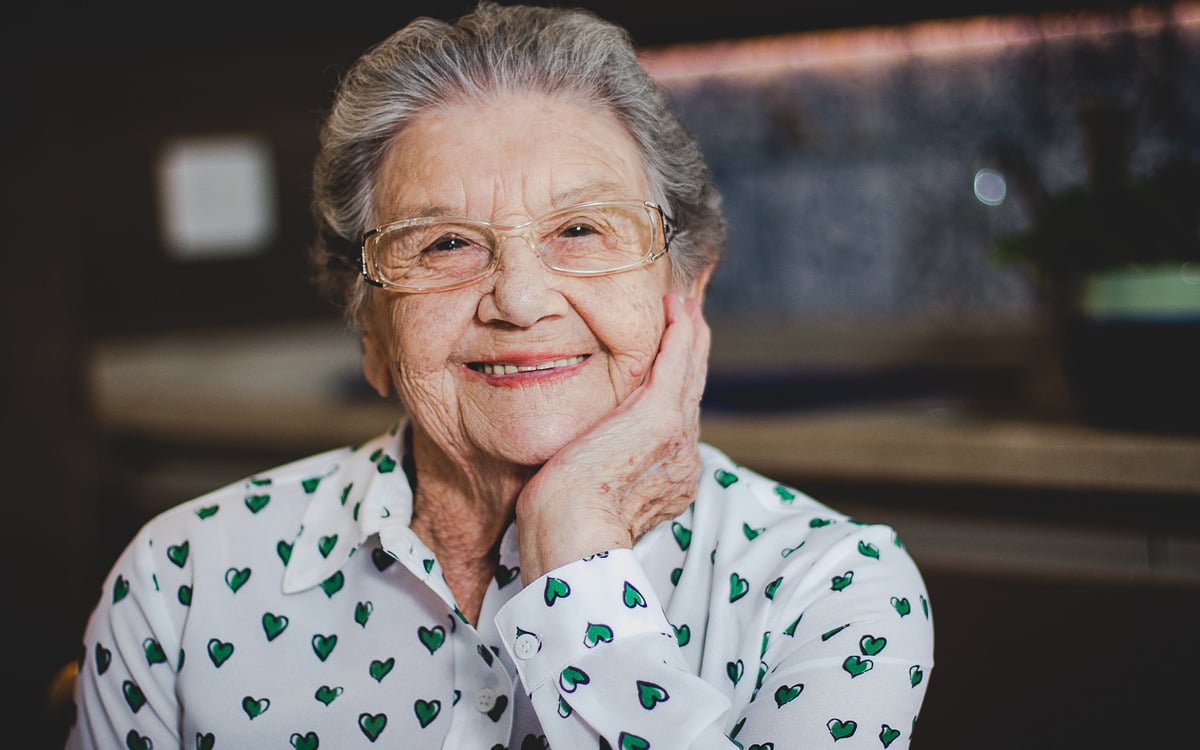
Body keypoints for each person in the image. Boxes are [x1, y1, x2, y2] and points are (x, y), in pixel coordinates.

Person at [67, 3, 933, 748]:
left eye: (583, 231)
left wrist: (576, 541)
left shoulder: (835, 592)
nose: (519, 299)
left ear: (685, 286)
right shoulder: (182, 583)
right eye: (444, 244)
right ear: (369, 324)